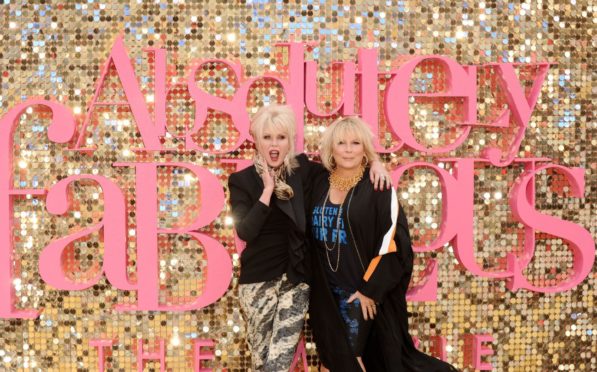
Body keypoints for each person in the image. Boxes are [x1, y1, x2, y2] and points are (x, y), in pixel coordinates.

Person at [228, 105, 390, 371]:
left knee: (278, 361)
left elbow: (343, 162)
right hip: (257, 281)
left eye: (281, 137)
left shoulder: (304, 172)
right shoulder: (242, 181)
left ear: (290, 140)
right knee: (261, 362)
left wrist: (375, 162)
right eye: (267, 137)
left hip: (296, 280)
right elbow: (246, 231)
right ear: (255, 140)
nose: (274, 144)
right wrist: (267, 192)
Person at [308, 116, 457, 371]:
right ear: (331, 147)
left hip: (360, 295)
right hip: (327, 295)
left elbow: (394, 244)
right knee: (331, 363)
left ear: (365, 148)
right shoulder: (318, 182)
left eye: (355, 143)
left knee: (355, 361)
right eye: (341, 143)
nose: (347, 149)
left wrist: (370, 290)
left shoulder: (378, 187)